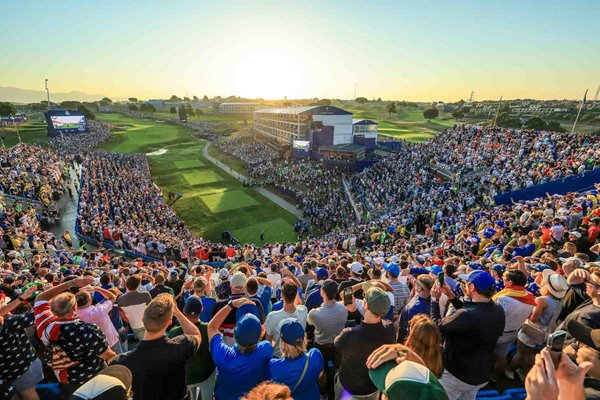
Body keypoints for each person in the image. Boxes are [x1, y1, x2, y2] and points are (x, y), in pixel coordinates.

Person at [34, 276, 116, 399]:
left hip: (65, 379)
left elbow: (40, 298)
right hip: (92, 376)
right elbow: (107, 354)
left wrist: (71, 283)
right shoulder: (86, 329)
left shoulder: (44, 324)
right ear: (74, 308)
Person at [430, 270, 505, 400]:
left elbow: (436, 325)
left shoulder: (466, 315)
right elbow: (471, 312)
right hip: (481, 372)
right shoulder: (498, 309)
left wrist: (434, 300)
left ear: (472, 287)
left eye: (466, 283)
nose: (464, 285)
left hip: (457, 375)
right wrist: (452, 296)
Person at [114, 293, 201, 400]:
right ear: (169, 322)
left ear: (142, 319)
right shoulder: (180, 347)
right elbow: (195, 334)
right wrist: (177, 312)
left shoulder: (121, 362)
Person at [334, 286, 395, 399]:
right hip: (373, 388)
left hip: (349, 389)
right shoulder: (390, 328)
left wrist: (353, 311)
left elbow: (337, 344)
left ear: (365, 304)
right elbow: (369, 329)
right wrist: (355, 312)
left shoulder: (349, 334)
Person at [208, 298, 273, 400]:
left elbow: (212, 327)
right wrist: (259, 336)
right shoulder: (265, 349)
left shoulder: (223, 355)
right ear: (260, 333)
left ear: (235, 332)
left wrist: (231, 304)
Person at [508, 270, 568, 379]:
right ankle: (524, 372)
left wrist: (525, 313)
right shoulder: (560, 302)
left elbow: (533, 319)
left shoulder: (542, 300)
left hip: (530, 331)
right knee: (530, 354)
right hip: (542, 333)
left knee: (521, 353)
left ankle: (510, 369)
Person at [168, 296, 216, 400]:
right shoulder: (209, 329)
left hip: (186, 377)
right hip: (206, 375)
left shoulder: (173, 332)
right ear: (202, 309)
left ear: (184, 310)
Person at [0, 286, 43, 400]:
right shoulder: (9, 323)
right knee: (29, 395)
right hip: (19, 369)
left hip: (5, 375)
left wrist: (22, 297)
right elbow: (41, 313)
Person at [490, 269, 535, 377]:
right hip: (513, 333)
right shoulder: (529, 298)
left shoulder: (503, 298)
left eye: (504, 280)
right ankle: (497, 376)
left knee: (487, 354)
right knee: (502, 356)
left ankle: (487, 375)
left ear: (510, 282)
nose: (502, 281)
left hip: (495, 333)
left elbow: (491, 316)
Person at [267, 318, 324, 400]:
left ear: (282, 343)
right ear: (304, 339)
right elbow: (319, 374)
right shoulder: (315, 355)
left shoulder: (273, 366)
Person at [266, 279, 307, 357]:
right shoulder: (303, 311)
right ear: (296, 295)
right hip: (299, 355)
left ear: (281, 295)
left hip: (278, 357)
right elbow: (299, 303)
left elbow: (269, 342)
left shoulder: (272, 317)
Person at [76, 284, 122, 354]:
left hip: (93, 349)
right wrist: (96, 288)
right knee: (120, 362)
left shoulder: (73, 316)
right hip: (111, 342)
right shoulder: (99, 310)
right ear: (90, 300)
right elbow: (112, 297)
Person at [398, 275, 434, 342]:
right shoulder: (433, 302)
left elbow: (411, 331)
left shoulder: (415, 308)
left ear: (420, 288)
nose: (414, 284)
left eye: (416, 283)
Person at [117, 275, 152, 341]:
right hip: (148, 324)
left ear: (127, 285)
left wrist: (131, 320)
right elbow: (151, 309)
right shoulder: (146, 295)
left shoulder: (121, 298)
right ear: (138, 284)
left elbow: (122, 314)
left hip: (135, 325)